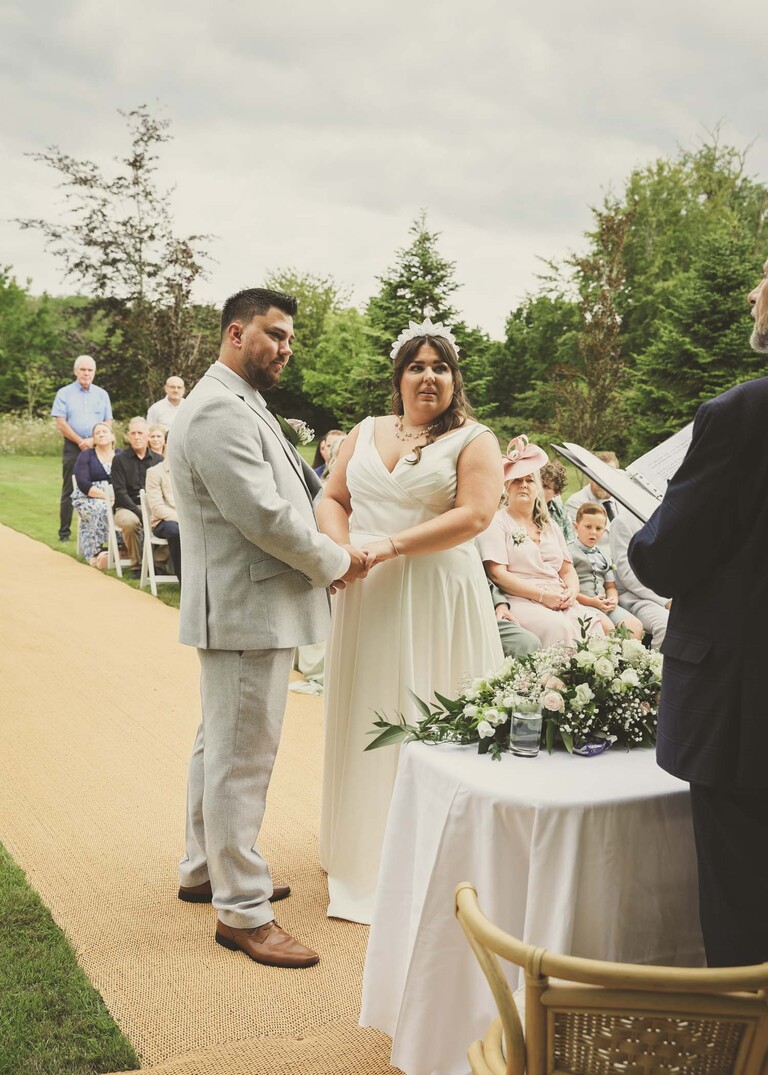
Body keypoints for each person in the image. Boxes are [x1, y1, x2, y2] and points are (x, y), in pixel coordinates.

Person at [168, 286, 368, 969]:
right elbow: (266, 517)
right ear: (235, 332)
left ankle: (204, 867)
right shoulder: (218, 410)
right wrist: (335, 559)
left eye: (289, 338)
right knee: (241, 758)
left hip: (243, 605)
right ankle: (243, 909)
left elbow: (291, 497)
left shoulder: (239, 401)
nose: (285, 348)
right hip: (248, 608)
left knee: (218, 745)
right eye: (274, 334)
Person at [318, 318, 504, 924]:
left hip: (435, 593)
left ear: (455, 378)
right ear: (397, 377)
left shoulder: (475, 439)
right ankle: (360, 843)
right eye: (417, 366)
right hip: (366, 590)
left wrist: (388, 548)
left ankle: (431, 854)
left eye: (441, 366)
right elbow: (333, 498)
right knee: (369, 704)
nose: (429, 377)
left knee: (426, 704)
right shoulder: (366, 431)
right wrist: (342, 551)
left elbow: (476, 516)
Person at [628, 260, 768, 969]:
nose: (752, 293)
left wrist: (646, 526)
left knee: (744, 905)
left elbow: (663, 558)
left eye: (765, 277)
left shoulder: (740, 414)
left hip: (746, 707)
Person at [477, 436, 606, 649]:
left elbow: (567, 569)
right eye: (517, 480)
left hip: (559, 595)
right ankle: (555, 682)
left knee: (592, 625)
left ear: (537, 488)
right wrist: (542, 596)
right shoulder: (497, 522)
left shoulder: (550, 526)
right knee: (558, 627)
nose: (524, 485)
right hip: (521, 597)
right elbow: (497, 573)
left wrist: (572, 591)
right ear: (506, 487)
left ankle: (589, 683)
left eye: (529, 480)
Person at [51, 355, 112, 542]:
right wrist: (80, 441)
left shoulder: (102, 394)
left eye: (90, 370)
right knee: (70, 487)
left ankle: (103, 532)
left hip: (98, 446)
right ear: (76, 371)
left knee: (104, 484)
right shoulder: (64, 393)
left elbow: (108, 420)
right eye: (83, 370)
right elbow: (61, 422)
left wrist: (93, 440)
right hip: (73, 446)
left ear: (94, 372)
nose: (86, 373)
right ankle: (64, 533)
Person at [569, 503, 643, 637]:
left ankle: (629, 657)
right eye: (588, 527)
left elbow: (610, 586)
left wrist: (613, 599)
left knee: (635, 626)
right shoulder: (569, 552)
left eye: (598, 528)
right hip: (582, 604)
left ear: (604, 530)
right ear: (576, 526)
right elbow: (567, 588)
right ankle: (611, 656)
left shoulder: (604, 554)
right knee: (606, 627)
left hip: (604, 604)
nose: (593, 532)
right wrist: (592, 601)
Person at [110, 418, 164, 576]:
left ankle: (156, 561)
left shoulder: (159, 460)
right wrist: (140, 513)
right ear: (128, 436)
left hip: (153, 507)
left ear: (148, 436)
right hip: (126, 506)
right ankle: (137, 566)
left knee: (175, 525)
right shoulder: (119, 459)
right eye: (133, 433)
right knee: (130, 523)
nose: (136, 437)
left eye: (140, 433)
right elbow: (120, 492)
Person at [609, 511, 670, 648]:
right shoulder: (622, 522)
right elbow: (627, 574)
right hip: (636, 597)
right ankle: (656, 667)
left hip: (669, 591)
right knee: (666, 625)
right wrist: (666, 600)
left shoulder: (670, 518)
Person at [71, 421, 118, 567]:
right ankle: (95, 552)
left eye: (104, 431)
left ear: (112, 436)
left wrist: (116, 497)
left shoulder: (121, 455)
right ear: (93, 439)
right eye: (97, 433)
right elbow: (83, 483)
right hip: (88, 496)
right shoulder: (86, 455)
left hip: (117, 495)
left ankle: (120, 549)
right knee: (101, 508)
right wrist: (105, 496)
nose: (101, 434)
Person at [564, 450, 620, 549]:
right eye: (598, 475)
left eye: (609, 475)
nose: (603, 481)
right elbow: (578, 547)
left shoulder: (624, 502)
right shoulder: (575, 503)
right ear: (590, 475)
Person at [145, 448, 181, 582]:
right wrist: (182, 519)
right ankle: (184, 583)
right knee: (176, 532)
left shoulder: (188, 470)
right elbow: (157, 508)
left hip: (187, 520)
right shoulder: (155, 472)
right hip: (163, 521)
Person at [540, 460, 576, 542]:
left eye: (546, 487)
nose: (539, 489)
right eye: (537, 483)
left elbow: (570, 545)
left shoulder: (561, 514)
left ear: (556, 493)